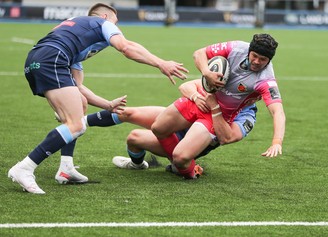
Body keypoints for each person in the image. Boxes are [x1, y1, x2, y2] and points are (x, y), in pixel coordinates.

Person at [8, 3, 189, 194]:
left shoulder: (76, 42)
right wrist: (161, 63)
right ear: (104, 17)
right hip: (52, 58)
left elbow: (77, 87)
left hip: (37, 60)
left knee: (80, 106)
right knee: (75, 124)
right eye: (115, 22)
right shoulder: (101, 23)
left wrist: (107, 104)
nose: (117, 28)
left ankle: (66, 168)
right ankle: (25, 168)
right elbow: (126, 47)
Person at [150, 33, 286, 179]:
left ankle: (188, 170)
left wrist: (276, 142)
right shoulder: (236, 48)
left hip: (217, 116)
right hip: (201, 99)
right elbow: (199, 53)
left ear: (269, 60)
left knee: (180, 156)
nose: (257, 61)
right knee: (157, 128)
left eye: (263, 59)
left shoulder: (266, 80)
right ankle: (180, 165)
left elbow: (277, 112)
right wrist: (206, 72)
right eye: (254, 56)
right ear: (249, 51)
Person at [109, 79, 257, 174]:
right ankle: (137, 165)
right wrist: (196, 97)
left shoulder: (248, 115)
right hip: (182, 121)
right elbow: (186, 86)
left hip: (192, 142)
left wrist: (215, 110)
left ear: (258, 97)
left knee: (134, 136)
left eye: (253, 94)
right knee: (127, 113)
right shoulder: (226, 88)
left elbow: (228, 137)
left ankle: (185, 166)